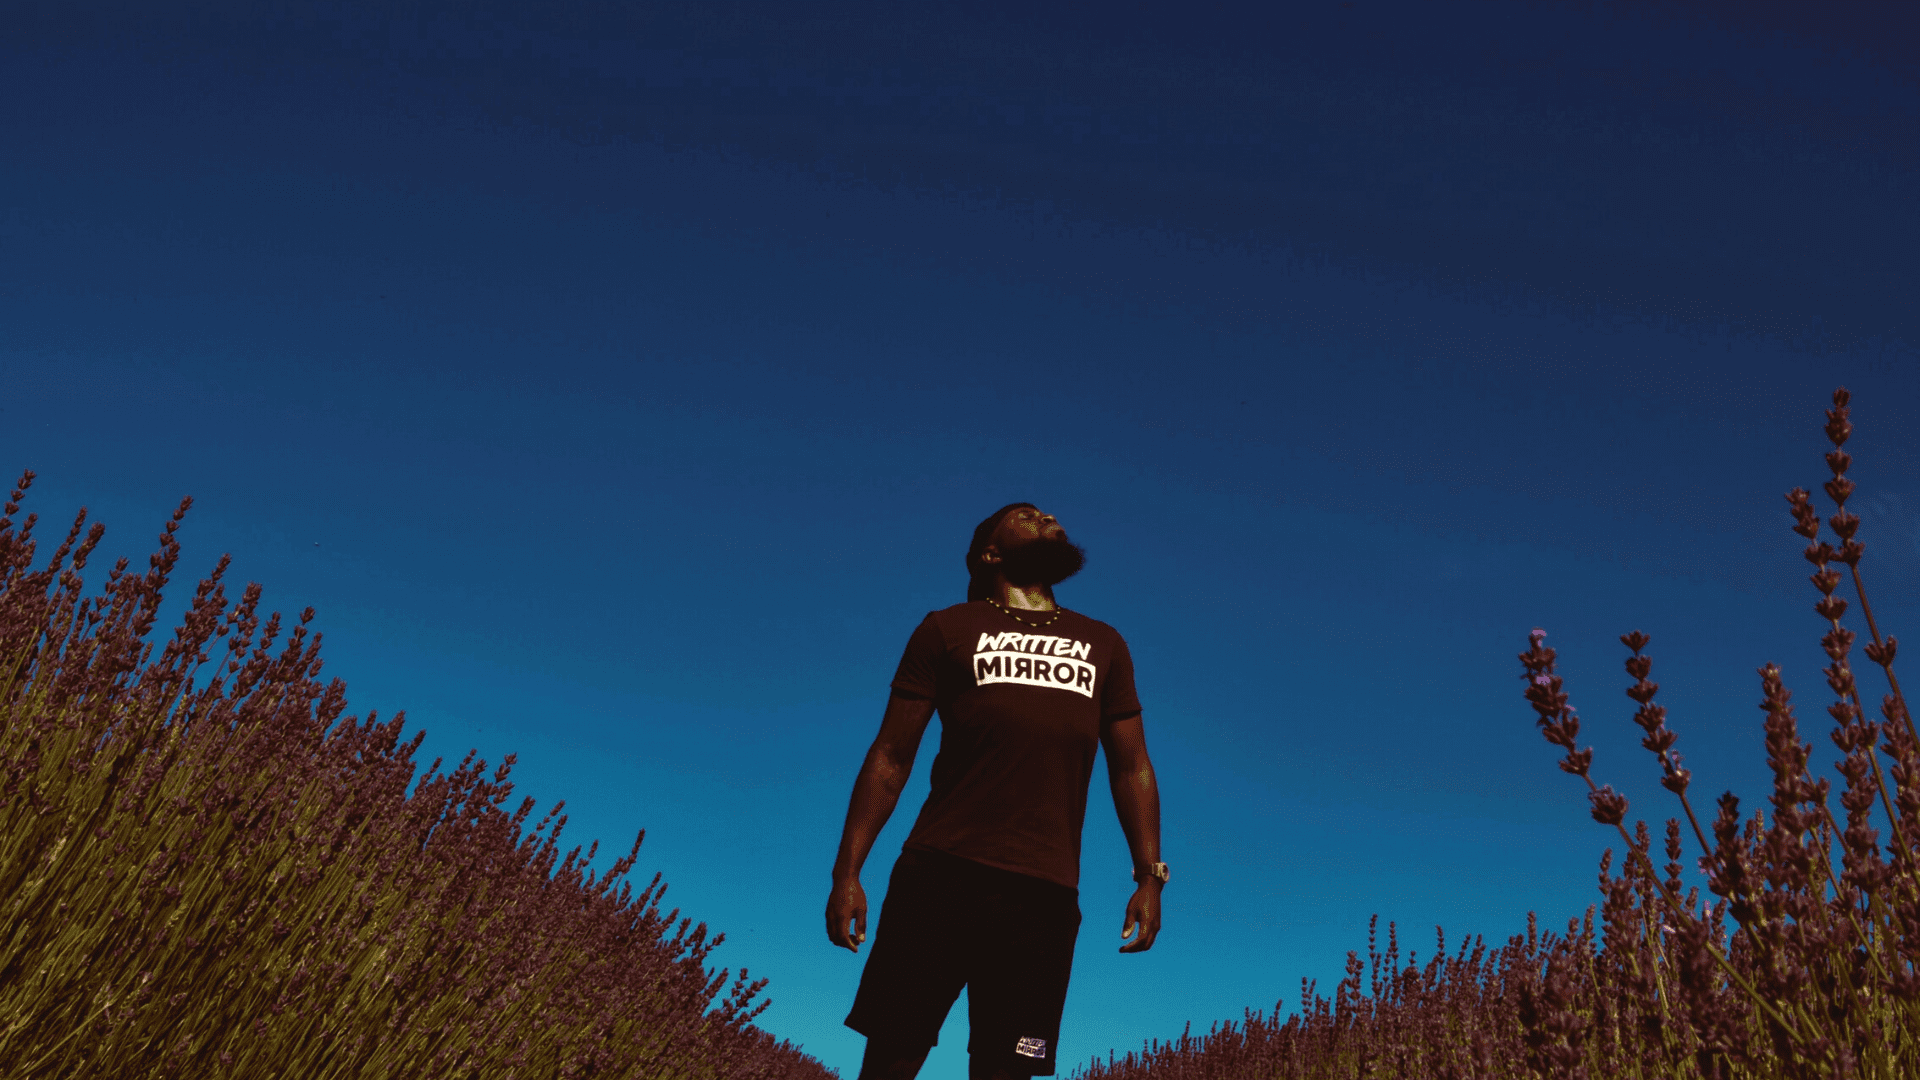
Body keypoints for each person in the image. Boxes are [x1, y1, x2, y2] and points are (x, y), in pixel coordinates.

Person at [826, 503, 1166, 1080]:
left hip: (1044, 891)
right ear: (991, 552)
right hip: (939, 872)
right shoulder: (947, 629)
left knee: (1008, 1066)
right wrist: (847, 874)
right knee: (892, 1053)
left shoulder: (1103, 642)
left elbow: (1131, 764)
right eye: (1027, 516)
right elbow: (891, 754)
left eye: (1050, 515)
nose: (1049, 517)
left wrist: (1148, 876)